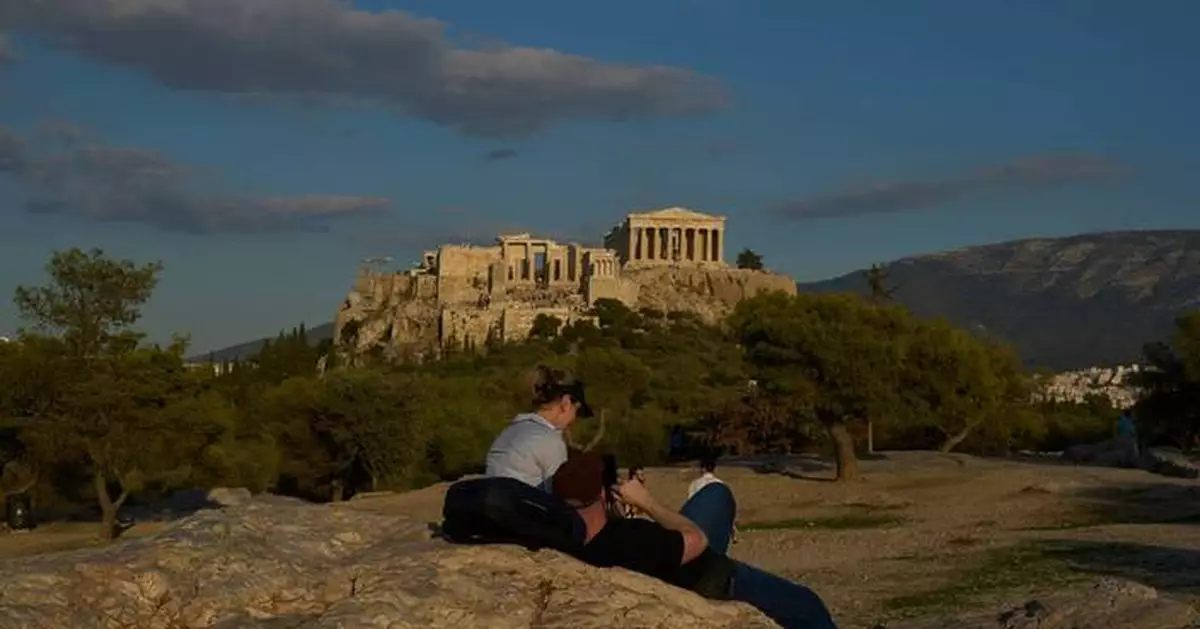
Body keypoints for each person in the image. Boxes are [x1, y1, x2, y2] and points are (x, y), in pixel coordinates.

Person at [551, 451, 837, 629]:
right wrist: (647, 502)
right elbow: (696, 539)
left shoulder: (564, 537)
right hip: (714, 579)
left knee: (713, 497)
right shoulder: (631, 538)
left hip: (666, 559)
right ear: (603, 495)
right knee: (807, 604)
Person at [485, 366, 593, 490]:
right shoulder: (549, 441)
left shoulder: (507, 434)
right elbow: (558, 496)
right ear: (566, 404)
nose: (574, 419)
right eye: (576, 411)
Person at [688, 456, 738, 545]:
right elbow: (727, 507)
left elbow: (690, 505)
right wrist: (732, 529)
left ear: (702, 469)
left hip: (700, 522)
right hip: (715, 521)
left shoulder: (695, 484)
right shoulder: (720, 483)